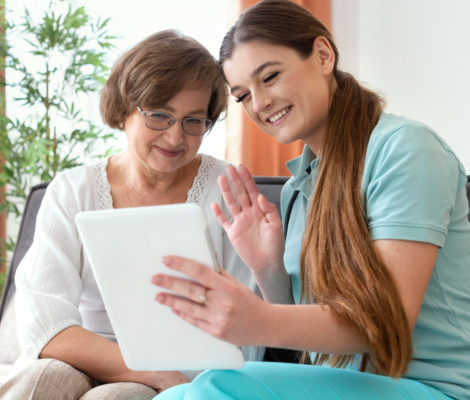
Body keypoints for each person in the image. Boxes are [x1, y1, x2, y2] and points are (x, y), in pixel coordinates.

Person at [150, 1, 470, 399]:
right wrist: (268, 268)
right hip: (352, 384)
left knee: (214, 388)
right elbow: (316, 347)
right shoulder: (299, 186)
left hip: (431, 388)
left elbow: (387, 322)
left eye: (269, 76)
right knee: (172, 396)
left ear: (322, 55)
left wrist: (258, 320)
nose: (260, 103)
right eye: (243, 95)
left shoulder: (405, 149)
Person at [0, 29, 264, 400]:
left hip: (181, 369)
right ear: (124, 109)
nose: (174, 137)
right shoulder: (72, 191)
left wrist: (166, 376)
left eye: (193, 121)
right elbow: (44, 325)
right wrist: (149, 371)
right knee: (44, 380)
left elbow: (247, 333)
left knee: (116, 397)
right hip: (79, 355)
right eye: (159, 115)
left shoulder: (226, 189)